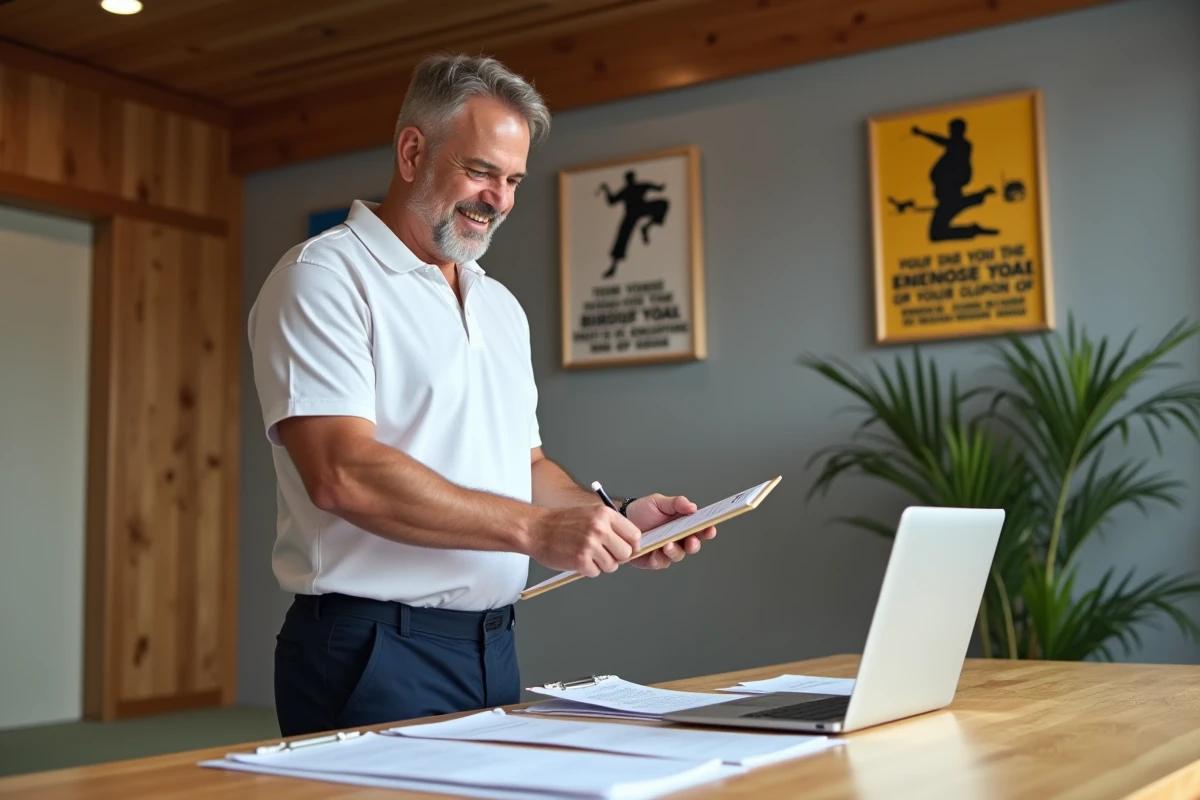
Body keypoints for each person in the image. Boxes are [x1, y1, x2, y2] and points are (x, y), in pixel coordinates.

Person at [248, 53, 717, 738]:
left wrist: (611, 518)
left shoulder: (498, 304)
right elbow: (341, 472)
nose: (499, 199)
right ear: (413, 151)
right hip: (369, 648)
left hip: (491, 644)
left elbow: (523, 467)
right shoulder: (322, 277)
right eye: (480, 171)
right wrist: (536, 532)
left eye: (514, 180)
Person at [911, 118, 999, 241]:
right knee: (951, 212)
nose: (950, 132)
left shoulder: (961, 145)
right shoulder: (957, 146)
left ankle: (973, 227)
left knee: (936, 234)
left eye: (952, 130)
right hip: (947, 192)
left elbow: (940, 140)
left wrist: (922, 133)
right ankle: (979, 198)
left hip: (949, 191)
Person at [597, 170, 670, 278]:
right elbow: (612, 201)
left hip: (641, 208)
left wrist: (661, 186)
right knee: (622, 239)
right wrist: (606, 189)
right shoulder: (627, 190)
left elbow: (657, 188)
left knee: (664, 203)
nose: (630, 180)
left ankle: (647, 227)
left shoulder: (639, 187)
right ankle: (613, 268)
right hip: (631, 214)